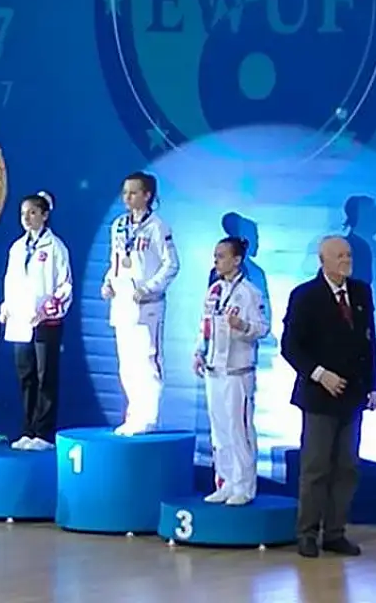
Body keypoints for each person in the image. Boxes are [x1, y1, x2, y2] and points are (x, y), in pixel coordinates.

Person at [280, 235, 376, 558]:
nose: (346, 260)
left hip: (353, 396)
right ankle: (307, 533)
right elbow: (290, 346)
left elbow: (369, 342)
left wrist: (374, 384)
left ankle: (335, 532)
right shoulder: (305, 296)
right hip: (319, 396)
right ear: (322, 260)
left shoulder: (362, 292)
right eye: (339, 256)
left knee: (347, 467)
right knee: (316, 467)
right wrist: (320, 374)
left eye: (348, 255)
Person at [101, 172, 179, 435]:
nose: (127, 197)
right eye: (125, 192)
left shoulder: (158, 227)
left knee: (147, 361)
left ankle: (149, 417)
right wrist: (108, 282)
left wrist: (149, 288)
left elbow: (171, 265)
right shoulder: (118, 225)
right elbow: (115, 261)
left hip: (147, 306)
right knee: (127, 364)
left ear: (147, 195)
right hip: (122, 304)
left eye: (133, 192)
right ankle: (133, 415)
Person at [193, 236, 269, 506]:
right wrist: (199, 351)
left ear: (237, 260)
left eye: (221, 256)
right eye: (215, 256)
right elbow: (204, 325)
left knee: (239, 429)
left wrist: (243, 326)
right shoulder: (213, 290)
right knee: (220, 430)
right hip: (214, 367)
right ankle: (224, 482)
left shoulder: (249, 292)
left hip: (238, 370)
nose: (216, 261)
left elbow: (263, 328)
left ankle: (244, 486)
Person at [0, 191, 72, 451]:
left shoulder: (55, 247)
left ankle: (44, 433)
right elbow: (11, 281)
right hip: (20, 323)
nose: (27, 218)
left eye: (32, 212)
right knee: (26, 376)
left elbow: (65, 286)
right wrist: (6, 306)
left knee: (45, 377)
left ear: (45, 215)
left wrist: (46, 310)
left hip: (46, 323)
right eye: (23, 213)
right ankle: (27, 430)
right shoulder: (17, 248)